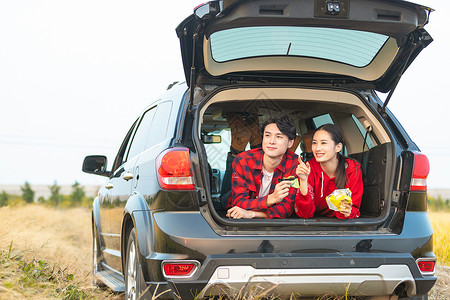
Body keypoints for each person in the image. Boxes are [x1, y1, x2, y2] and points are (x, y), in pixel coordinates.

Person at [226, 115, 300, 219]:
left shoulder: (295, 164)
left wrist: (253, 214)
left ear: (290, 143)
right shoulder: (243, 160)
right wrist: (271, 199)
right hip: (231, 202)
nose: (271, 141)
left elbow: (286, 208)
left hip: (253, 212)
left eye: (279, 136)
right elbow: (238, 203)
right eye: (267, 135)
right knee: (222, 198)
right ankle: (240, 137)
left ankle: (248, 130)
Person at [294, 124, 363, 219]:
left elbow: (354, 210)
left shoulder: (351, 169)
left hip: (340, 227)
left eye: (323, 143)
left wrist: (347, 211)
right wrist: (303, 180)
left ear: (338, 147)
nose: (317, 148)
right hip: (312, 225)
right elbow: (305, 214)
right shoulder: (307, 168)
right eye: (314, 143)